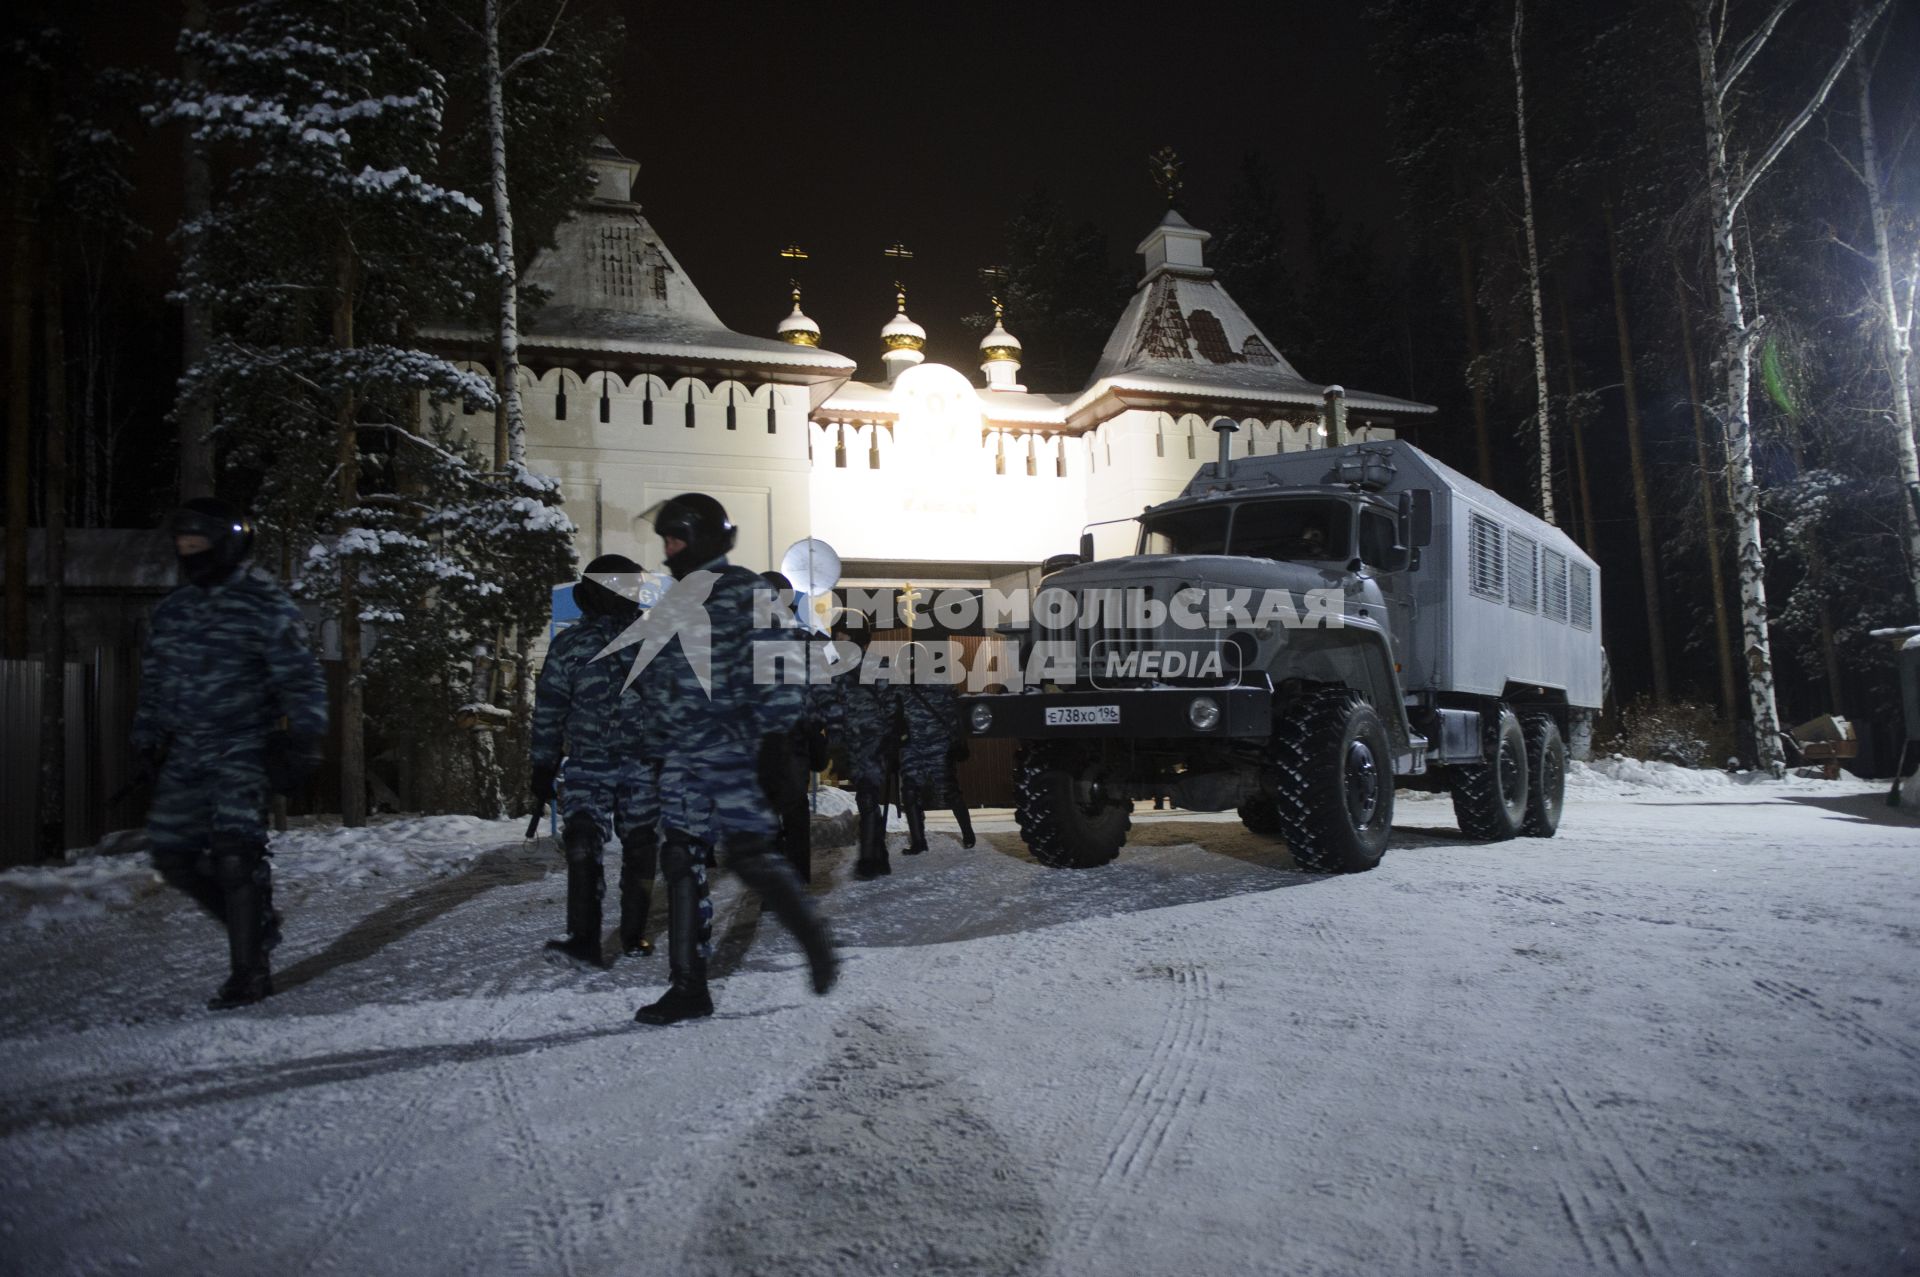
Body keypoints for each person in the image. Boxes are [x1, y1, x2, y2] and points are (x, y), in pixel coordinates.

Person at [633, 493, 837, 1025]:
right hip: (683, 756)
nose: (668, 549)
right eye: (666, 541)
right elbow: (659, 680)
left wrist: (774, 743)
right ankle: (688, 989)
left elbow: (788, 672)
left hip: (734, 750)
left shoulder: (748, 590)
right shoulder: (675, 598)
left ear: (699, 537)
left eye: (675, 538)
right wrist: (652, 745)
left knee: (748, 855)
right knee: (680, 858)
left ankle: (812, 936)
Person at [131, 498, 328, 1010]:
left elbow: (301, 676)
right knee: (172, 854)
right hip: (187, 750)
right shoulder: (175, 609)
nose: (190, 553)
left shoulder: (263, 603)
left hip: (245, 744)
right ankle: (257, 923)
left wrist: (305, 740)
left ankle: (250, 972)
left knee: (236, 854)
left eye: (199, 544)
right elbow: (154, 680)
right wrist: (145, 737)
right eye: (183, 545)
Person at [530, 553, 661, 968]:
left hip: (589, 764)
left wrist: (542, 765)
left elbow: (550, 709)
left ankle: (585, 939)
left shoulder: (570, 644)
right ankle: (633, 936)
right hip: (644, 766)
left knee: (585, 843)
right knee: (640, 845)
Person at [829, 618, 899, 879]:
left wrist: (891, 739)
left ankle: (868, 860)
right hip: (858, 743)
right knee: (865, 796)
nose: (837, 640)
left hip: (871, 743)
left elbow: (891, 705)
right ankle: (878, 855)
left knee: (867, 797)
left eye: (841, 635)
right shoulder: (840, 667)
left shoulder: (871, 665)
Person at [896, 643, 963, 855]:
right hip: (912, 747)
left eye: (913, 663)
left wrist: (958, 742)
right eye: (906, 664)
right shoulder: (899, 688)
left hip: (938, 747)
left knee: (948, 790)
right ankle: (918, 841)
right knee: (909, 791)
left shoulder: (941, 684)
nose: (910, 668)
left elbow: (956, 715)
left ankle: (967, 832)